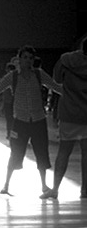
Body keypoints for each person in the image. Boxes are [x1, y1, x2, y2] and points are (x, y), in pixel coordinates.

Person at [0, 45, 62, 196]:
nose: (28, 61)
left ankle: (44, 186)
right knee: (15, 153)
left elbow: (56, 87)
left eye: (30, 58)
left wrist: (76, 91)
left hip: (38, 121)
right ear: (19, 59)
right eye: (25, 57)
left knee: (41, 153)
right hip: (20, 122)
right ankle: (6, 185)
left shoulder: (39, 74)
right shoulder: (12, 77)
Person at [41, 37, 87, 199]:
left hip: (69, 112)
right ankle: (85, 191)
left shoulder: (66, 60)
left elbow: (57, 80)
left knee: (63, 152)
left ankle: (55, 189)